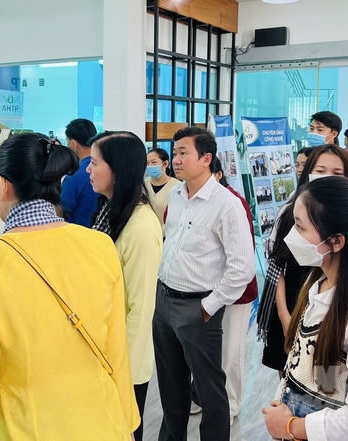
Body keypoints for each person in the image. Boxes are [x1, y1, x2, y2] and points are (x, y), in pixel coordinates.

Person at [0, 132, 139, 440]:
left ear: (3, 185)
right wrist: (128, 423)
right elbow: (116, 353)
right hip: (105, 422)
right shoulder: (99, 245)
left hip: (33, 429)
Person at [262, 176, 348, 441]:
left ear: (336, 241)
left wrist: (293, 426)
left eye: (300, 227)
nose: (291, 235)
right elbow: (325, 370)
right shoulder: (320, 280)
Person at [153, 127, 255, 441]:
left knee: (210, 391)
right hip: (165, 300)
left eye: (184, 152)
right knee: (171, 386)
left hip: (199, 306)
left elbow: (243, 269)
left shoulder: (227, 204)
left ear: (206, 158)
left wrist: (208, 308)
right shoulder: (176, 194)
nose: (176, 159)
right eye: (175, 152)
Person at [88, 131, 163, 441]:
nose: (88, 170)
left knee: (125, 430)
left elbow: (141, 309)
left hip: (123, 362)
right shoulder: (109, 211)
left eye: (94, 163)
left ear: (117, 171)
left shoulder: (142, 227)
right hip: (101, 348)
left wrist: (121, 371)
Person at [257, 144, 348, 375]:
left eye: (336, 173)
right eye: (320, 170)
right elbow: (277, 263)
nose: (327, 177)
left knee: (325, 379)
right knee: (289, 373)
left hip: (335, 309)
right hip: (292, 300)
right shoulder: (291, 212)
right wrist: (283, 315)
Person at [212, 157, 258, 424]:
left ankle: (230, 404)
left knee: (231, 351)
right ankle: (201, 396)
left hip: (236, 291)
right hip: (205, 291)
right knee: (205, 351)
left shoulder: (233, 201)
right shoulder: (184, 198)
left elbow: (242, 259)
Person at [58, 118, 99, 227]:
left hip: (79, 235)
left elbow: (60, 211)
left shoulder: (75, 175)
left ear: (73, 144)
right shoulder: (106, 168)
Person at [144, 147, 181, 236]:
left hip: (167, 236)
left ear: (165, 164)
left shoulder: (177, 187)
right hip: (145, 235)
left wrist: (159, 233)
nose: (149, 166)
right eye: (147, 163)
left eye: (154, 162)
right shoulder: (143, 186)